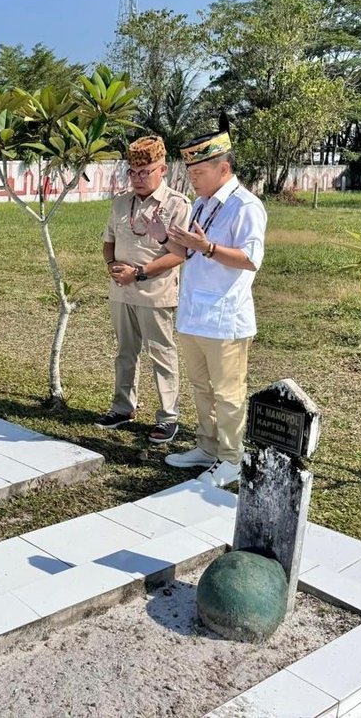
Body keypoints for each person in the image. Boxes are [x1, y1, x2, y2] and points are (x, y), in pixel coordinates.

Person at [148, 116, 267, 487]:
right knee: (201, 387)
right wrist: (163, 238)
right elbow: (187, 254)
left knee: (228, 394)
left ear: (224, 168)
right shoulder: (201, 204)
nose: (192, 179)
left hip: (225, 318)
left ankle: (231, 458)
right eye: (191, 171)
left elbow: (250, 259)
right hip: (194, 315)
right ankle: (207, 446)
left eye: (198, 171)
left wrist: (210, 247)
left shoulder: (245, 206)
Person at [96, 135, 191, 444]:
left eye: (145, 171)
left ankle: (168, 417)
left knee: (161, 354)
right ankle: (122, 407)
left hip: (155, 292)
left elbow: (178, 253)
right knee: (125, 351)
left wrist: (137, 273)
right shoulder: (121, 201)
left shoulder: (176, 204)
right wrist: (112, 264)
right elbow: (108, 239)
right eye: (132, 172)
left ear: (162, 170)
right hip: (121, 290)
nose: (137, 178)